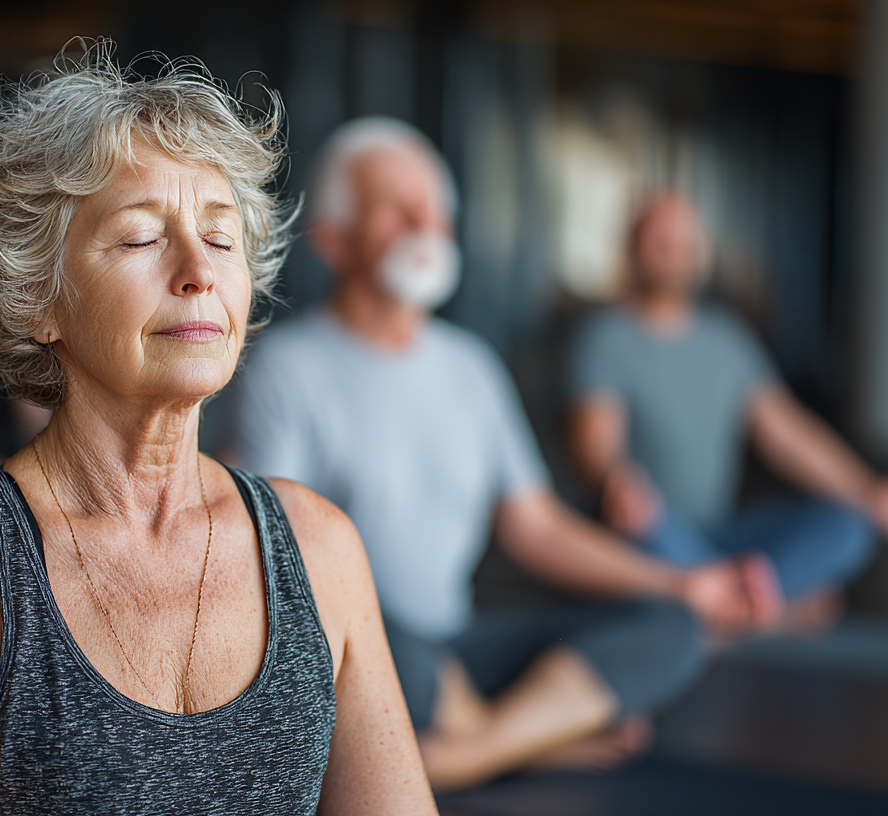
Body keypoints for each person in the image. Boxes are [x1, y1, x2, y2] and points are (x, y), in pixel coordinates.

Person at [0, 53, 437, 815]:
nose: (198, 273)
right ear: (38, 298)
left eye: (221, 240)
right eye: (142, 238)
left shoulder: (320, 549)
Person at [231, 117, 780, 791]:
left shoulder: (472, 368)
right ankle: (534, 735)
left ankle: (471, 748)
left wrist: (681, 584)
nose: (425, 225)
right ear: (333, 241)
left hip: (456, 644)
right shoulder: (287, 367)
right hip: (367, 650)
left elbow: (536, 526)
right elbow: (270, 556)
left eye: (435, 210)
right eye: (396, 211)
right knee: (351, 626)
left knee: (672, 627)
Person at [566, 191, 888, 630]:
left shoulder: (727, 340)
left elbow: (788, 433)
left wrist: (874, 494)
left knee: (850, 524)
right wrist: (617, 482)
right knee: (645, 530)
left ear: (699, 250)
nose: (672, 248)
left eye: (682, 237)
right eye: (659, 237)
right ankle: (760, 609)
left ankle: (721, 602)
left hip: (715, 535)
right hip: (646, 534)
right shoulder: (604, 337)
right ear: (632, 246)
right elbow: (594, 447)